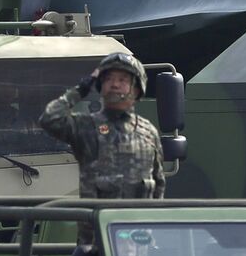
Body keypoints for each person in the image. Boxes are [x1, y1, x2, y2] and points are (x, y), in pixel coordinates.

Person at [39, 51, 166, 245]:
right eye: (108, 79)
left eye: (122, 79)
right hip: (96, 241)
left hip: (138, 238)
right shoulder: (86, 126)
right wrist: (80, 90)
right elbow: (50, 119)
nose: (114, 84)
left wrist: (154, 230)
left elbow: (158, 184)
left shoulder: (148, 132)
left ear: (137, 89)